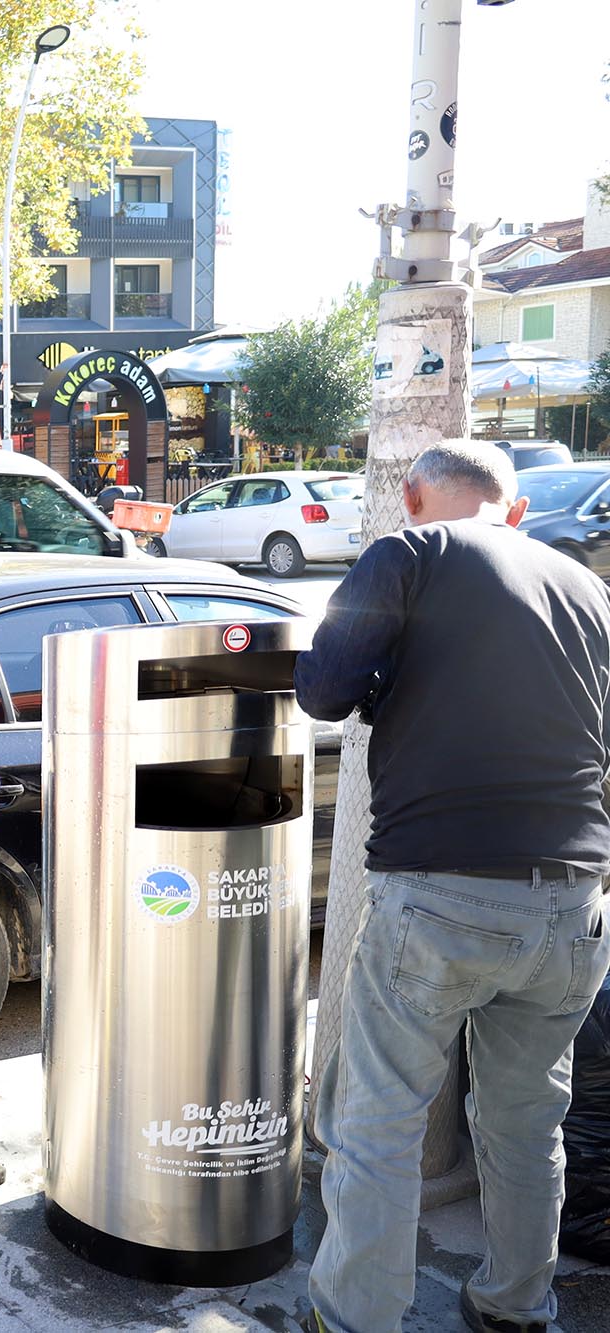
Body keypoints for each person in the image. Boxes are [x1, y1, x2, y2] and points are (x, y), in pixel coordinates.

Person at [296, 441, 610, 1333]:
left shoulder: (409, 553)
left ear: (413, 495)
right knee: (526, 1125)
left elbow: (323, 690)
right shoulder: (588, 587)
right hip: (573, 907)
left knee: (380, 1118)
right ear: (511, 509)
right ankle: (517, 1305)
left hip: (439, 893)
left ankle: (356, 1317)